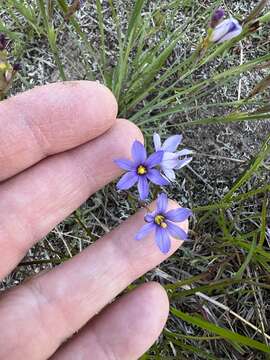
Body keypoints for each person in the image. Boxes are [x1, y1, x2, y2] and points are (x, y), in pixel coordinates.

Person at [0, 81, 189, 360]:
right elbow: (135, 171)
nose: (161, 219)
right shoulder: (140, 172)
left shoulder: (147, 178)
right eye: (161, 219)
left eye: (161, 219)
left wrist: (153, 211)